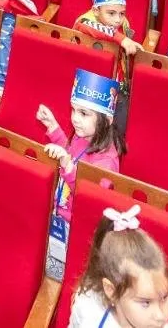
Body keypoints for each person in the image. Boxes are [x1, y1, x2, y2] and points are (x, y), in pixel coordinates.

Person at [38, 69, 123, 276]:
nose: (75, 119)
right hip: (58, 215)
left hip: (76, 231)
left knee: (57, 275)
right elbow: (71, 154)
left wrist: (67, 166)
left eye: (84, 113)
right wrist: (54, 128)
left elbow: (90, 200)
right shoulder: (81, 136)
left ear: (106, 119)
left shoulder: (107, 161)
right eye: (73, 110)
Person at [66, 205, 168, 328]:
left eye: (164, 298)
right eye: (146, 303)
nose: (160, 316)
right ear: (111, 291)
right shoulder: (89, 315)